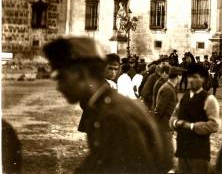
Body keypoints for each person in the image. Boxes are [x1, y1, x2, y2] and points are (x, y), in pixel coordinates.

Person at [43, 37, 168, 173]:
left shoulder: (113, 115)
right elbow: (100, 160)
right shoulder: (106, 105)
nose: (59, 87)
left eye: (61, 77)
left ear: (81, 74)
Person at [170, 63, 221, 173]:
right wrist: (175, 123)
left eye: (195, 77)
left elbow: (214, 125)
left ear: (202, 79)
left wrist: (191, 126)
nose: (191, 80)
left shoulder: (209, 99)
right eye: (189, 76)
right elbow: (173, 117)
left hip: (199, 152)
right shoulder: (184, 97)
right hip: (182, 150)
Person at [154, 66, 185, 172]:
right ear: (178, 76)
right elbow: (159, 109)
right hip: (165, 126)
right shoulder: (167, 89)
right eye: (181, 75)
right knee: (168, 152)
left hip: (168, 125)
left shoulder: (170, 87)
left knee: (168, 152)